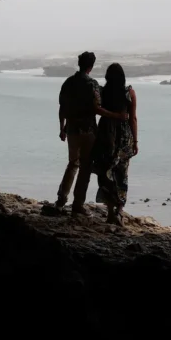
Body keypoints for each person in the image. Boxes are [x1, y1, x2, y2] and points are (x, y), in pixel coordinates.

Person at [55, 52, 128, 215]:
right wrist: (116, 116)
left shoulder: (68, 82)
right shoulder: (92, 84)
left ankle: (61, 200)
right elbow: (97, 108)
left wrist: (62, 127)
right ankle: (77, 204)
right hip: (88, 131)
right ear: (91, 66)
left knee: (72, 164)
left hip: (72, 130)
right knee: (85, 167)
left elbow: (62, 107)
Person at [92, 63, 138, 226]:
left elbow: (96, 109)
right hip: (124, 137)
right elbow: (132, 118)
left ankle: (110, 210)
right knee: (121, 174)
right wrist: (136, 141)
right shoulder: (129, 93)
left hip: (106, 134)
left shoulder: (103, 92)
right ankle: (119, 210)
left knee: (105, 172)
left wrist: (111, 115)